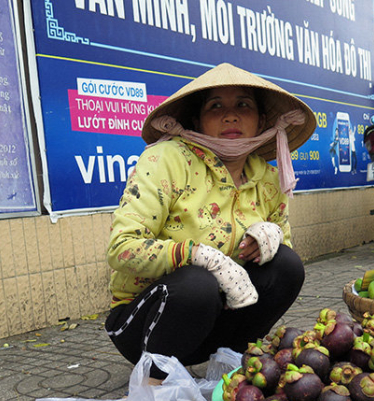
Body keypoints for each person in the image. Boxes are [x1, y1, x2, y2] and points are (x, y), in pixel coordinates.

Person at [104, 63, 316, 380]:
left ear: (261, 121)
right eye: (215, 106)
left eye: (243, 105)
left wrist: (269, 238)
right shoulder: (166, 160)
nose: (230, 116)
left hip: (218, 320)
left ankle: (229, 364)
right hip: (145, 324)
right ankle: (154, 384)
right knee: (197, 283)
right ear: (196, 121)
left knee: (287, 265)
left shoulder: (269, 179)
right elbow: (121, 249)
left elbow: (282, 256)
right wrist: (198, 255)